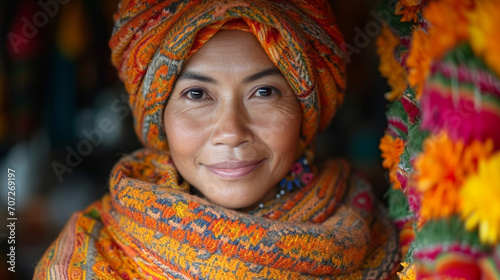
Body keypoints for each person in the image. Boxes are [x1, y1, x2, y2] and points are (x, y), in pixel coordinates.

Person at [34, 0, 400, 279]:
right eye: (196, 94)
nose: (231, 132)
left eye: (264, 92)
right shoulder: (91, 255)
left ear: (307, 109)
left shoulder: (378, 234)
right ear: (158, 114)